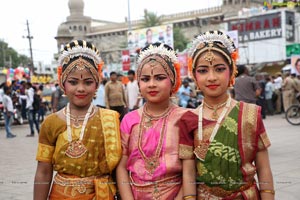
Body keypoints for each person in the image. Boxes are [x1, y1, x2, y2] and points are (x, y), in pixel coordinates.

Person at [178, 30, 274, 199]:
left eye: (220, 69)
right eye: (203, 70)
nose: (211, 77)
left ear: (232, 71)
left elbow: (264, 168)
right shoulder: (188, 119)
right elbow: (189, 173)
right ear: (194, 75)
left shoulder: (250, 113)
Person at [33, 40, 122, 200]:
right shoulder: (51, 122)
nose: (80, 88)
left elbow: (118, 168)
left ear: (96, 84)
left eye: (88, 82)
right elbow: (43, 171)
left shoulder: (111, 119)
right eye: (73, 82)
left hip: (102, 195)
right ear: (62, 84)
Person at [116, 42, 196, 200]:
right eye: (145, 79)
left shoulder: (187, 118)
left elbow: (191, 171)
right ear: (139, 83)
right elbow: (122, 167)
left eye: (159, 78)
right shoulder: (129, 120)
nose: (152, 84)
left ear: (173, 80)